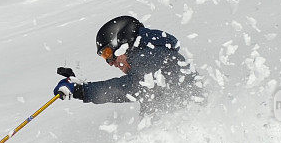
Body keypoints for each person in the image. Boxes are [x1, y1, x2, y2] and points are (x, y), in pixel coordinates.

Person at [53, 15, 202, 115]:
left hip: (192, 123)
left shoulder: (153, 53)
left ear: (123, 41)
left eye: (107, 53)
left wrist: (83, 90)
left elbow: (135, 86)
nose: (111, 63)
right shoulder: (151, 56)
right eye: (105, 58)